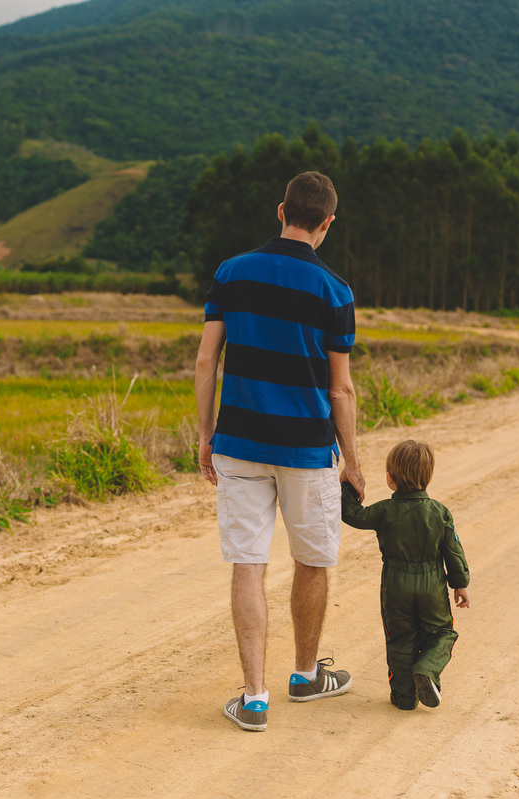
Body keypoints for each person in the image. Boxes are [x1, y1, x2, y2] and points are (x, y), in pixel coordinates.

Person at [195, 171, 365, 733]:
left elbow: (205, 361)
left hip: (238, 443)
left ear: (281, 211)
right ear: (327, 223)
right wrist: (354, 461)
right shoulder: (335, 290)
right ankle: (304, 675)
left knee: (249, 562)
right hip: (307, 447)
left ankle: (254, 699)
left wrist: (205, 434)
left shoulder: (230, 273)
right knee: (312, 559)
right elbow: (340, 388)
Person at [340, 439, 470, 710]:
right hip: (431, 585)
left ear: (390, 478)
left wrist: (347, 486)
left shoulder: (384, 511)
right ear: (429, 476)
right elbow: (453, 550)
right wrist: (460, 584)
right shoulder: (439, 512)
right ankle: (427, 667)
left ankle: (404, 698)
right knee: (442, 633)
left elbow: (353, 515)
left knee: (400, 640)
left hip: (395, 585)